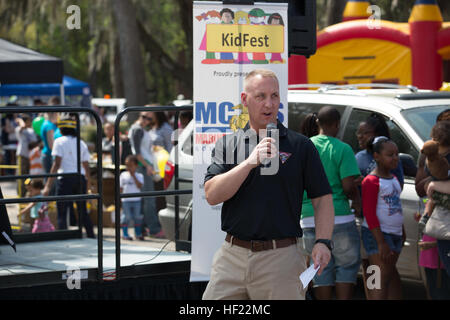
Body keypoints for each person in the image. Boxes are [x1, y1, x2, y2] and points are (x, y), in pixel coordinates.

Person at [202, 69, 334, 300]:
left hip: (281, 258)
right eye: (260, 96)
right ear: (245, 100)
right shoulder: (227, 144)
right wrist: (250, 162)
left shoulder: (301, 146)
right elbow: (212, 194)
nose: (269, 104)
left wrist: (323, 241)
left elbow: (322, 198)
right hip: (231, 257)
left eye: (274, 96)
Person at [300, 107, 362, 300]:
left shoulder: (303, 146)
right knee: (347, 268)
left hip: (309, 219)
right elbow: (347, 186)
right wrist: (357, 199)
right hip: (340, 216)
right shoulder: (343, 148)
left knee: (319, 271)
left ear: (317, 123)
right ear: (337, 124)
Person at [355, 112, 404, 299]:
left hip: (393, 234)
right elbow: (369, 211)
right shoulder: (371, 180)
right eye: (390, 155)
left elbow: (395, 203)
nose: (395, 159)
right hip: (377, 235)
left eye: (396, 155)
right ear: (377, 156)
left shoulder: (391, 177)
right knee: (376, 278)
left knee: (387, 276)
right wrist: (381, 241)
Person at [42, 114, 95, 239]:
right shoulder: (80, 142)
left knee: (62, 211)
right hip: (80, 178)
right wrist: (88, 186)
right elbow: (86, 166)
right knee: (83, 211)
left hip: (65, 178)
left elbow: (56, 164)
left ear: (60, 129)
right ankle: (91, 236)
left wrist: (48, 186)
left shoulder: (59, 142)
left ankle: (63, 238)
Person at [128, 111, 164, 238]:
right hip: (143, 166)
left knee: (145, 199)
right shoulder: (137, 129)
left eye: (149, 119)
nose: (146, 120)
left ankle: (143, 229)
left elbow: (140, 150)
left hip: (144, 165)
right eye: (144, 117)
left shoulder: (139, 129)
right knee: (149, 199)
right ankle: (153, 229)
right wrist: (148, 165)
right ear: (140, 115)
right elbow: (137, 152)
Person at [120, 155, 145, 241]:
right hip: (126, 200)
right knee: (126, 217)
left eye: (131, 165)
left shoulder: (139, 176)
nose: (128, 168)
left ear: (136, 166)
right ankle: (125, 233)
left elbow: (139, 186)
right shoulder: (123, 175)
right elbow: (120, 188)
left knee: (137, 217)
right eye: (127, 165)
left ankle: (138, 233)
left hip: (136, 200)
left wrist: (133, 176)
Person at [15, 114, 38, 197]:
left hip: (31, 157)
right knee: (21, 176)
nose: (30, 122)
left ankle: (29, 194)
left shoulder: (31, 131)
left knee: (30, 177)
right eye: (28, 121)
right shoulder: (18, 129)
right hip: (23, 156)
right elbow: (23, 126)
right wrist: (20, 120)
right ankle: (21, 195)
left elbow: (34, 142)